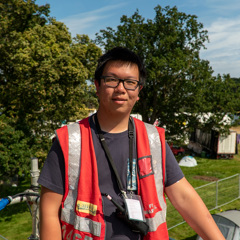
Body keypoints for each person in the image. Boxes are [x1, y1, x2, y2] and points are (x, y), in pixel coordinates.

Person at [38, 47, 225, 240]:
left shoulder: (153, 139)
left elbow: (184, 197)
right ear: (97, 85)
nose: (120, 89)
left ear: (138, 91)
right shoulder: (70, 140)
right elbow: (49, 211)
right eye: (111, 80)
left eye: (130, 82)